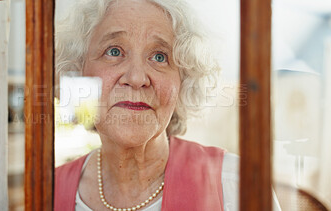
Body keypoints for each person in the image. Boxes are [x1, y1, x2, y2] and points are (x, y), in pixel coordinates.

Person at [54, 0, 281, 210]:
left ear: (183, 80)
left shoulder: (236, 184)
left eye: (160, 57)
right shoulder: (47, 191)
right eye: (114, 51)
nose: (136, 78)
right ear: (78, 71)